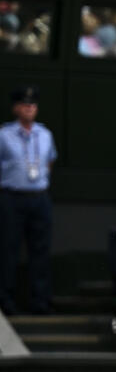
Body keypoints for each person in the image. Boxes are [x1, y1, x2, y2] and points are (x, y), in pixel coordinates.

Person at [0, 87, 56, 315]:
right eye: (24, 104)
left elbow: (50, 162)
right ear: (15, 108)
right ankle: (6, 302)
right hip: (12, 197)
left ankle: (40, 302)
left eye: (32, 105)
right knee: (8, 250)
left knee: (40, 251)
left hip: (39, 197)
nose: (29, 108)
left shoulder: (45, 134)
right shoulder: (4, 135)